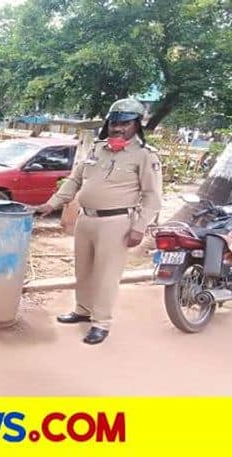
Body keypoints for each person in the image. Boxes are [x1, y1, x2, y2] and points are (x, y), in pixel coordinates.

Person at [35, 98, 163, 344]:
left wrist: (139, 228)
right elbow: (75, 180)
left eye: (125, 124)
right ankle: (82, 310)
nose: (118, 128)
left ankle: (101, 322)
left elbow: (152, 197)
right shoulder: (97, 148)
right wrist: (52, 203)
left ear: (137, 125)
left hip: (116, 222)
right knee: (83, 269)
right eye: (114, 123)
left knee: (106, 275)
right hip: (87, 218)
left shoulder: (145, 155)